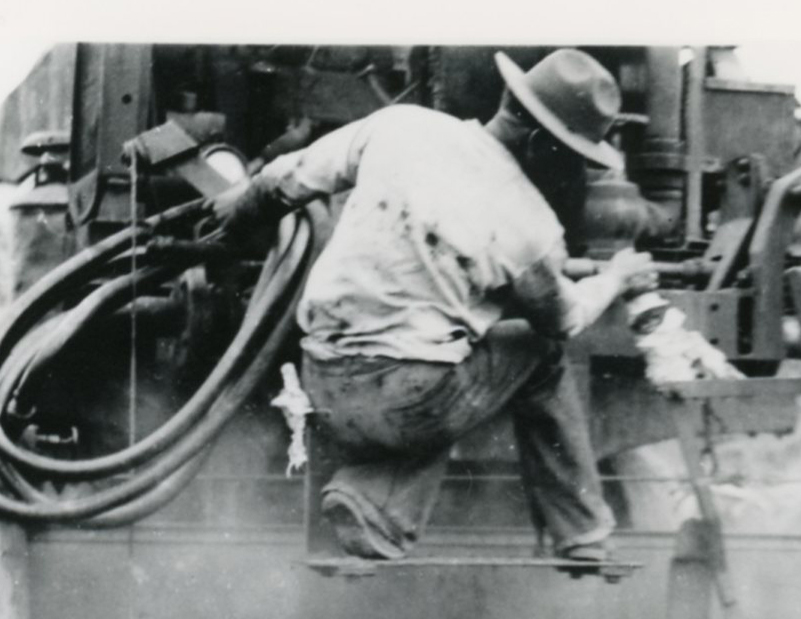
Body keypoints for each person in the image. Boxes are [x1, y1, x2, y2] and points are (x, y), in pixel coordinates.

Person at [209, 49, 657, 561]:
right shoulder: (532, 225)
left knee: (443, 350)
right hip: (409, 404)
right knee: (536, 354)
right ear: (541, 142)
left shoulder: (402, 126)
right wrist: (618, 276)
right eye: (573, 153)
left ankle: (372, 505)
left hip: (321, 382)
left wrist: (235, 210)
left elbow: (285, 181)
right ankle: (582, 534)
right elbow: (565, 320)